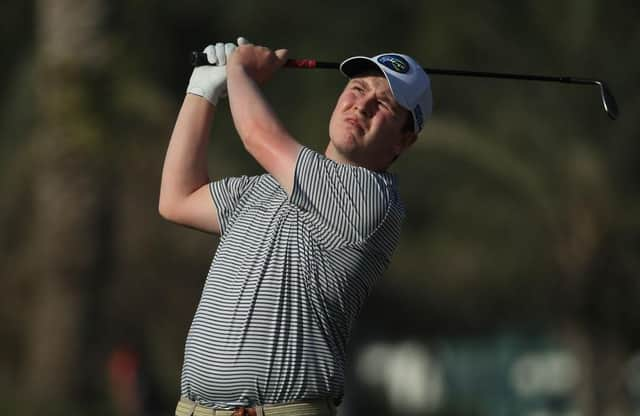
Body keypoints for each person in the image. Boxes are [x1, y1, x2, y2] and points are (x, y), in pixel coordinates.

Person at [159, 37, 432, 416]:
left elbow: (258, 136)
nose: (362, 105)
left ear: (405, 140)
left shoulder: (371, 200)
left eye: (384, 104)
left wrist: (240, 70)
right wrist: (202, 89)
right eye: (357, 88)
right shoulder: (266, 187)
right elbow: (178, 197)